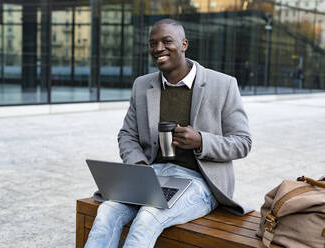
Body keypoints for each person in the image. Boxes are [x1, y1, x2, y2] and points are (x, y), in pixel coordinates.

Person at [84, 18, 252, 248]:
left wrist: (200, 141)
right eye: (153, 43)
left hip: (199, 181)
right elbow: (127, 135)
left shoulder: (222, 84)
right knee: (106, 213)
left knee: (147, 217)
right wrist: (139, 166)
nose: (158, 48)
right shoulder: (142, 86)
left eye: (167, 41)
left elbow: (243, 142)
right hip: (151, 176)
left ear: (184, 45)